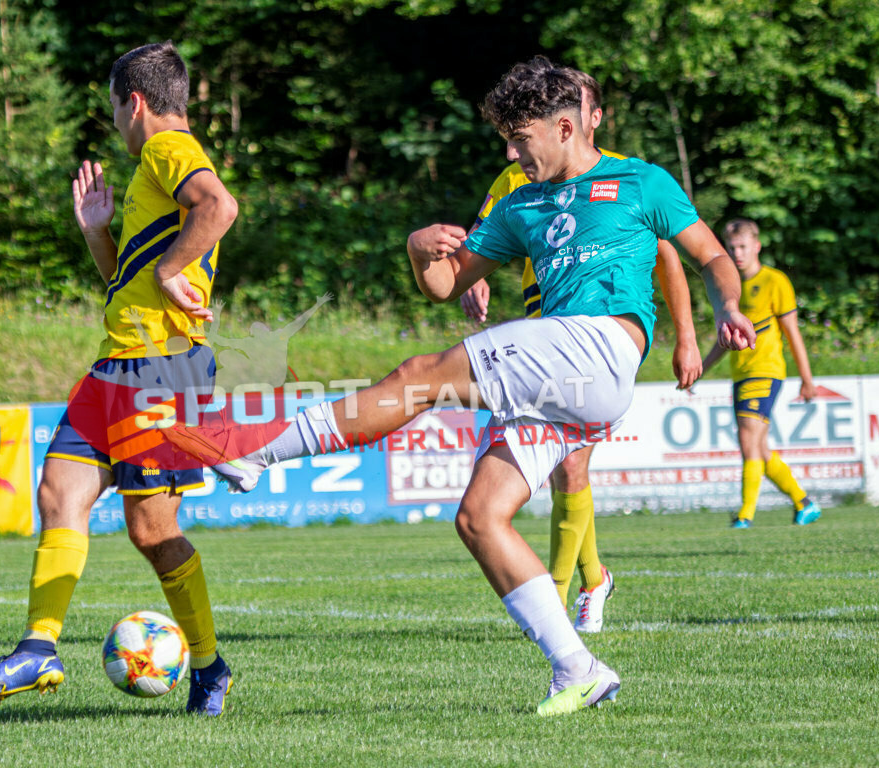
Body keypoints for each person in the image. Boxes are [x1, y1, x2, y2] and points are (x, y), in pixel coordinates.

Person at [165, 61, 755, 717]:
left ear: (566, 126)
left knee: (423, 376)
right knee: (479, 517)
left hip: (600, 347)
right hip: (564, 381)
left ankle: (255, 452)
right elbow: (447, 284)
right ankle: (578, 667)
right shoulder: (519, 204)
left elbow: (710, 256)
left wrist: (726, 310)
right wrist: (420, 249)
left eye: (519, 137)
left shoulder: (641, 181)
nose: (510, 151)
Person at [0, 41, 238, 716]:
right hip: (119, 362)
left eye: (114, 107)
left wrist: (173, 272)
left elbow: (218, 207)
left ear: (133, 102)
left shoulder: (168, 151)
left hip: (160, 369)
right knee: (60, 492)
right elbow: (133, 281)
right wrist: (99, 236)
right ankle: (38, 647)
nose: (114, 120)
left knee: (151, 531)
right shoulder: (153, 169)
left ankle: (208, 665)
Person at [407, 60, 703, 634]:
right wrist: (471, 272)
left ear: (585, 121)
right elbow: (481, 242)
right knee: (558, 470)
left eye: (593, 108)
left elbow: (671, 253)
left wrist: (686, 337)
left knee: (569, 465)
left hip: (598, 338)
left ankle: (565, 594)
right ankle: (592, 578)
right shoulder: (514, 177)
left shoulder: (624, 183)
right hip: (540, 327)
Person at [700, 218, 821, 529]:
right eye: (731, 248)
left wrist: (807, 379)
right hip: (741, 373)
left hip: (765, 371)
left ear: (757, 246)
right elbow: (725, 341)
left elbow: (792, 333)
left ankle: (746, 514)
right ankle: (804, 502)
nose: (737, 253)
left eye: (742, 247)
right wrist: (700, 368)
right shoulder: (731, 288)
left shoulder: (775, 281)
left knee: (747, 439)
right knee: (759, 448)